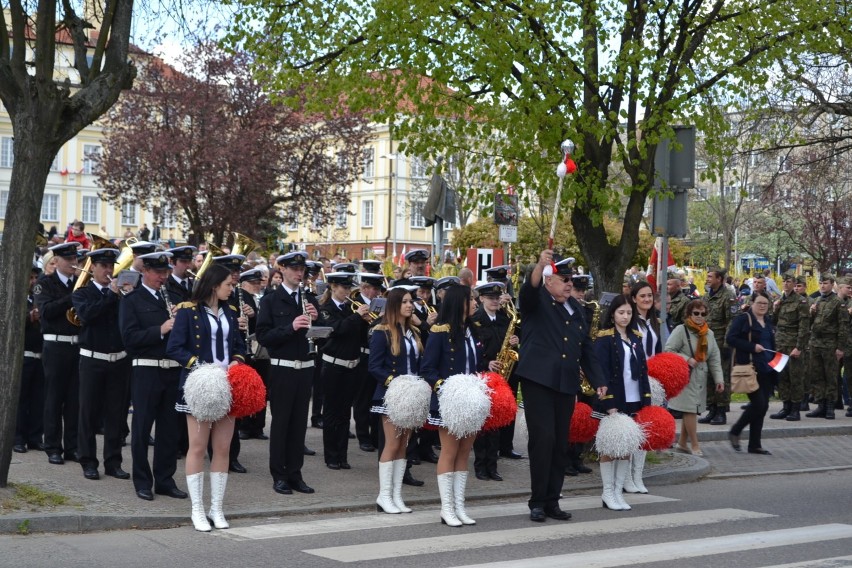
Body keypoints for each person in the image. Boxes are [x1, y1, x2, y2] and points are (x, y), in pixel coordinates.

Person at [514, 250, 606, 523]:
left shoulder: (577, 308)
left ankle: (553, 500)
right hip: (538, 380)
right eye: (563, 279)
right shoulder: (538, 300)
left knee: (559, 444)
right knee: (543, 441)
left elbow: (585, 347)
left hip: (565, 383)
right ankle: (537, 501)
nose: (568, 284)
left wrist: (598, 379)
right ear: (548, 280)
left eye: (571, 280)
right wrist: (539, 265)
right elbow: (528, 291)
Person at [167, 263, 247, 531]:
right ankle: (197, 510)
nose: (232, 288)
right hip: (201, 384)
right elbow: (174, 347)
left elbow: (238, 346)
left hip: (227, 385)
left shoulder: (232, 311)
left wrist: (236, 362)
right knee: (198, 447)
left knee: (223, 448)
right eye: (229, 284)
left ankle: (217, 508)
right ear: (214, 285)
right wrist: (200, 367)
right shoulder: (188, 311)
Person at [119, 251, 188, 502]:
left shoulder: (176, 298)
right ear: (145, 272)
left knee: (170, 430)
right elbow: (129, 339)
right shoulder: (132, 300)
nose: (163, 277)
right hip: (146, 369)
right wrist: (160, 329)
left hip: (172, 370)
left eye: (166, 272)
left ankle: (165, 480)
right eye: (158, 272)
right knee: (141, 428)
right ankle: (142, 481)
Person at [421, 284, 489, 527]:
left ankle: (459, 505)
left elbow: (475, 365)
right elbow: (427, 368)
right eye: (470, 300)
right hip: (449, 402)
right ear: (457, 303)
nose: (474, 303)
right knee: (449, 452)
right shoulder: (440, 331)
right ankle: (446, 507)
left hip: (470, 401)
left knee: (464, 453)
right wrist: (446, 389)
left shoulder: (472, 330)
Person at [256, 251, 320, 496]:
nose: (299, 272)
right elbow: (263, 336)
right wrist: (290, 327)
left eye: (301, 269)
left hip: (305, 368)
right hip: (282, 367)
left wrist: (317, 317)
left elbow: (324, 331)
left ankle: (295, 474)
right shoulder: (271, 300)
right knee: (281, 424)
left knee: (298, 426)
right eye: (294, 268)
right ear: (282, 269)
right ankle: (279, 475)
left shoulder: (308, 297)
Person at [71, 248, 132, 481]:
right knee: (88, 412)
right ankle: (88, 461)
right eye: (103, 266)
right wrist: (110, 296)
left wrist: (126, 296)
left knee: (116, 414)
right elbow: (87, 315)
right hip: (92, 359)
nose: (108, 270)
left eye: (110, 266)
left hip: (118, 360)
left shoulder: (121, 295)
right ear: (93, 268)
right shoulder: (82, 293)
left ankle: (113, 462)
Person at [593, 295, 651, 511]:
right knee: (610, 446)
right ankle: (608, 492)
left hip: (634, 397)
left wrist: (646, 399)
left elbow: (643, 371)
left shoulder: (636, 337)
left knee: (627, 445)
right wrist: (608, 402)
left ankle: (618, 491)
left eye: (628, 313)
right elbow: (601, 372)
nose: (625, 317)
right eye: (621, 313)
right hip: (614, 398)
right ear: (613, 314)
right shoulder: (604, 338)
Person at [369, 287, 423, 514]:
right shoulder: (381, 331)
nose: (410, 305)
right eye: (405, 302)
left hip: (411, 395)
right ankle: (383, 495)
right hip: (392, 395)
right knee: (392, 443)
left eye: (411, 301)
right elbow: (374, 367)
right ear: (394, 305)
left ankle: (396, 495)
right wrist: (396, 382)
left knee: (404, 444)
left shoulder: (413, 332)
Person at [34, 241, 83, 465]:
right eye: (69, 260)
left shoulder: (81, 284)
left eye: (75, 259)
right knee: (54, 398)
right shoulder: (45, 283)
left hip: (77, 345)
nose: (74, 263)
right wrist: (71, 298)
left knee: (74, 400)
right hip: (55, 346)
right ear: (57, 261)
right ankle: (53, 446)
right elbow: (46, 312)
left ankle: (72, 447)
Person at [317, 272, 372, 470]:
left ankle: (342, 455)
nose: (347, 292)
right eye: (343, 288)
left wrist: (369, 321)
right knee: (331, 413)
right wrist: (357, 317)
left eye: (349, 288)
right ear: (333, 287)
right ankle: (331, 456)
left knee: (344, 414)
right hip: (332, 366)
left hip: (352, 366)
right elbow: (336, 329)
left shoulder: (351, 308)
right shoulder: (326, 309)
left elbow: (362, 336)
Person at [665, 299, 724, 455]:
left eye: (703, 313)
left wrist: (719, 379)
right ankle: (695, 445)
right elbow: (669, 349)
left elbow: (714, 358)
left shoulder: (709, 333)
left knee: (689, 409)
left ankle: (682, 443)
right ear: (689, 314)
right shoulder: (681, 330)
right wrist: (686, 359)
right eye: (696, 313)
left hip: (700, 377)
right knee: (690, 410)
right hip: (685, 376)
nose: (700, 316)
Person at [471, 281, 517, 482]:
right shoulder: (475, 321)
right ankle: (480, 465)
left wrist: (516, 342)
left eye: (497, 298)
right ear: (481, 299)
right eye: (491, 298)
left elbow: (510, 343)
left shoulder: (504, 319)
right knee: (482, 422)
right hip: (482, 375)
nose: (495, 301)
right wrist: (486, 363)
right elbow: (472, 352)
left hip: (501, 376)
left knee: (496, 421)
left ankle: (493, 465)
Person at [727, 291, 778, 455]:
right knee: (758, 404)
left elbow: (771, 342)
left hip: (767, 368)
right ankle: (735, 430)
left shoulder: (768, 322)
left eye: (765, 304)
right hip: (750, 368)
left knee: (763, 407)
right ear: (752, 303)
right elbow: (731, 339)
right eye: (760, 303)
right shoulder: (744, 319)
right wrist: (752, 347)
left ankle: (755, 444)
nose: (763, 306)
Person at [805, 273, 848, 419]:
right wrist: (811, 313)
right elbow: (811, 323)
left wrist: (840, 348)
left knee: (830, 376)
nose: (822, 286)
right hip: (816, 343)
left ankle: (830, 407)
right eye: (821, 283)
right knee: (817, 375)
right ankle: (820, 405)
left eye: (826, 283)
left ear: (832, 284)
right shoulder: (817, 300)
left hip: (830, 344)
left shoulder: (838, 302)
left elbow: (843, 326)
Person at [769, 272, 810, 421]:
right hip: (780, 344)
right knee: (782, 377)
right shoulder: (780, 300)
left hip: (793, 345)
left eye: (789, 281)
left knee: (795, 377)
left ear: (794, 284)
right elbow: (773, 322)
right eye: (784, 281)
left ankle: (795, 409)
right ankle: (785, 406)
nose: (786, 284)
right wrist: (775, 308)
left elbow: (804, 327)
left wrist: (799, 347)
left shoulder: (801, 302)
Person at [14, 265, 46, 454]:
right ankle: (18, 438)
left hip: (40, 356)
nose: (33, 281)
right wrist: (29, 317)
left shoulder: (38, 298)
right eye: (30, 277)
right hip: (24, 356)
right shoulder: (16, 299)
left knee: (38, 399)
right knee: (21, 399)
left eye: (35, 277)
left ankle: (35, 437)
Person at [699, 267, 736, 426]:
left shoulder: (728, 296)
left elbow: (732, 321)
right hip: (707, 342)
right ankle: (712, 408)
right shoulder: (707, 296)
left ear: (719, 279)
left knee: (721, 377)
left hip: (721, 342)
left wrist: (728, 344)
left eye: (710, 276)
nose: (707, 279)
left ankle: (721, 410)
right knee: (708, 376)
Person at [629, 280, 661, 358]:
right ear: (634, 299)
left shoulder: (655, 321)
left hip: (653, 368)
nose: (647, 299)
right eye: (642, 296)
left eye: (650, 295)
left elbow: (657, 350)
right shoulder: (629, 321)